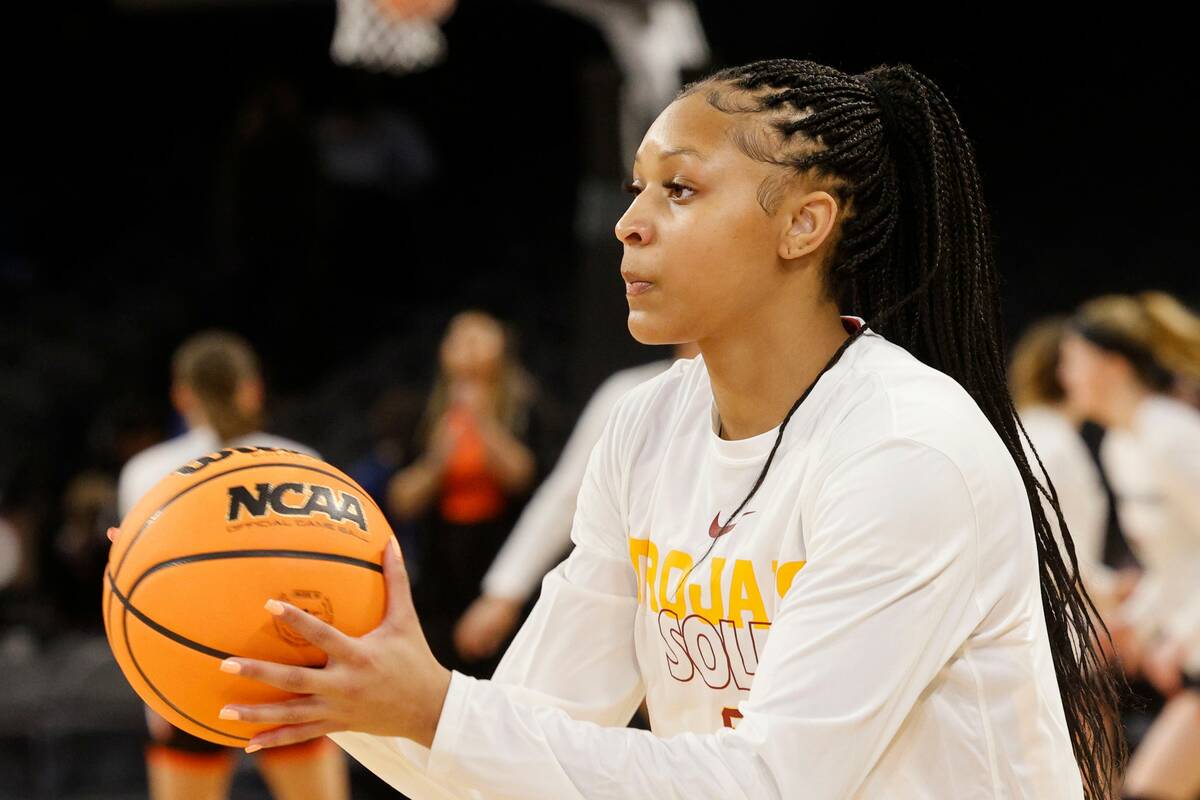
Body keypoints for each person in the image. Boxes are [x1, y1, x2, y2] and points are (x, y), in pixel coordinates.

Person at [116, 60, 1120, 798]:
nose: (629, 221)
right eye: (637, 185)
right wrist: (336, 672)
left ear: (804, 224)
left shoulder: (906, 450)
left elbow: (771, 784)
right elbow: (520, 745)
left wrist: (431, 705)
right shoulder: (646, 426)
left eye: (678, 188)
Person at [115, 330, 350, 800]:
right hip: (285, 666)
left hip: (186, 667)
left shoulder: (145, 472)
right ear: (252, 388)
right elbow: (332, 582)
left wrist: (152, 687)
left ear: (182, 395)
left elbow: (136, 593)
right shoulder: (301, 461)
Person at [454, 342, 698, 663]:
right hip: (642, 609)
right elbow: (568, 494)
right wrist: (505, 590)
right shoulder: (633, 393)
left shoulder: (775, 397)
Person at [1056, 292, 1200, 800]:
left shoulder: (1171, 433)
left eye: (1072, 361)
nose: (1065, 377)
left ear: (1112, 365)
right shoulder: (1122, 446)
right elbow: (1173, 562)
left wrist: (1182, 633)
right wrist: (1134, 620)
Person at [387, 310, 551, 677]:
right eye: (460, 338)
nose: (470, 347)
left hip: (501, 562)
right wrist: (437, 459)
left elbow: (526, 479)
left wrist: (483, 422)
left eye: (480, 337)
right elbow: (402, 497)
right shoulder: (421, 412)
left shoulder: (526, 409)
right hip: (440, 573)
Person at [1009, 316, 1118, 616]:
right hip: (1058, 616)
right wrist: (1107, 592)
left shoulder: (1032, 431)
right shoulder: (1052, 442)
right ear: (1061, 373)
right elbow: (1048, 545)